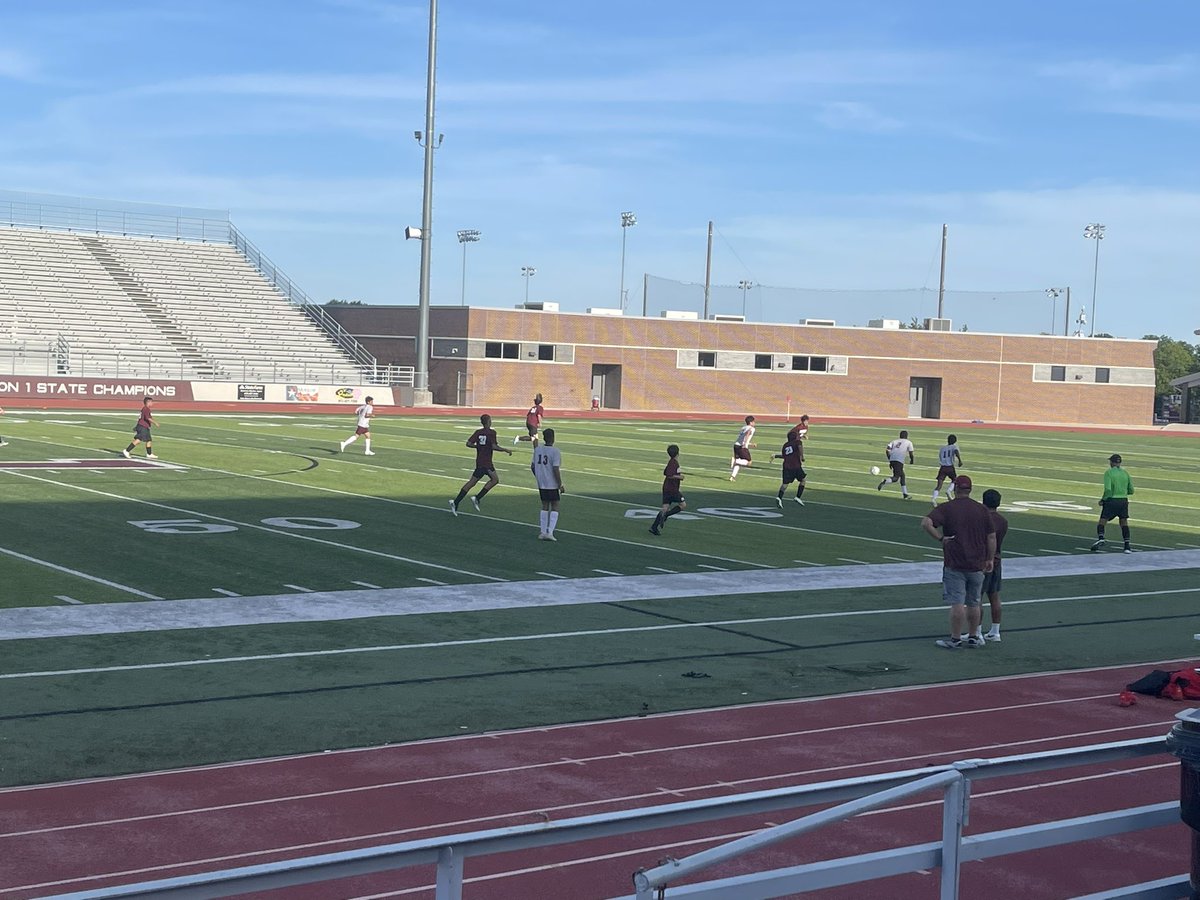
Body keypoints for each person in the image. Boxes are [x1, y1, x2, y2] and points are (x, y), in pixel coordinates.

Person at [921, 475, 996, 650]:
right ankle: (973, 636)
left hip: (955, 562)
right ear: (970, 489)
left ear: (955, 488)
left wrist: (940, 538)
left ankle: (955, 639)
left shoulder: (948, 508)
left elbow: (926, 523)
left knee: (957, 603)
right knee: (974, 602)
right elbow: (991, 536)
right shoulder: (981, 510)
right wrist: (990, 558)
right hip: (977, 563)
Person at [450, 413, 513, 516]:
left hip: (480, 461)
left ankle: (458, 502)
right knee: (494, 480)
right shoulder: (491, 433)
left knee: (473, 483)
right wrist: (505, 450)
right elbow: (494, 446)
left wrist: (478, 447)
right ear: (488, 421)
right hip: (486, 462)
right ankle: (475, 498)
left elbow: (468, 444)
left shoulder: (478, 432)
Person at [980, 488, 1008, 642]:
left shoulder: (982, 519)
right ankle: (995, 631)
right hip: (997, 559)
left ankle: (976, 631)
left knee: (976, 598)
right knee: (994, 596)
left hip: (983, 561)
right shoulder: (1003, 521)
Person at [1092, 453, 1134, 553]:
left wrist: (1103, 500)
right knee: (1124, 523)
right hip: (1123, 500)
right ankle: (1127, 546)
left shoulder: (1109, 473)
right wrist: (1122, 491)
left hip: (1112, 500)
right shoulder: (1125, 473)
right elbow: (1131, 490)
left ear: (1111, 462)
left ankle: (1101, 537)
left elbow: (1108, 489)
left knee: (1103, 521)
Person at [531, 428, 564, 541]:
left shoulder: (537, 450)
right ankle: (549, 532)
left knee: (544, 505)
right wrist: (560, 484)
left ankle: (542, 531)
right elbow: (555, 469)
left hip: (542, 483)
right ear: (553, 438)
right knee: (555, 505)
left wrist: (539, 477)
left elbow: (533, 466)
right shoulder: (555, 451)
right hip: (552, 483)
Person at [649, 444, 686, 535]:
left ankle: (654, 527)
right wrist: (679, 477)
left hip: (666, 488)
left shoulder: (670, 462)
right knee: (683, 505)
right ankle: (666, 515)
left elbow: (665, 472)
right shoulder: (674, 463)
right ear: (678, 453)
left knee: (665, 508)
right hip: (672, 489)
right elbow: (669, 475)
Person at [772, 430, 807, 507]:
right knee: (803, 480)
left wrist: (776, 456)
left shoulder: (785, 445)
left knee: (785, 484)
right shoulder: (797, 442)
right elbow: (800, 447)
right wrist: (802, 457)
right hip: (795, 466)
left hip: (786, 466)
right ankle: (798, 497)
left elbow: (784, 456)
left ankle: (779, 497)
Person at [878, 429, 915, 499]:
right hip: (899, 461)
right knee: (896, 478)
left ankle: (905, 494)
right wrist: (912, 460)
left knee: (902, 476)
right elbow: (911, 453)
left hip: (893, 459)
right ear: (907, 436)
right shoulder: (908, 442)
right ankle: (885, 481)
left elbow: (887, 450)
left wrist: (890, 459)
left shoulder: (894, 441)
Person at [932, 434, 963, 505]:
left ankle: (934, 499)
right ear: (955, 441)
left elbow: (940, 456)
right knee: (955, 480)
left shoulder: (942, 448)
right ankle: (949, 491)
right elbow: (956, 451)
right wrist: (960, 460)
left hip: (942, 467)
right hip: (950, 467)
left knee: (939, 485)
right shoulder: (954, 447)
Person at [729, 415, 757, 480]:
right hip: (742, 447)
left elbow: (741, 438)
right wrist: (745, 444)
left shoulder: (743, 427)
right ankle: (735, 461)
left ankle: (732, 477)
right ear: (750, 422)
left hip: (736, 445)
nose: (754, 423)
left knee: (738, 462)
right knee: (749, 462)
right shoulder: (751, 428)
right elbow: (747, 434)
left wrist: (751, 444)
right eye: (753, 422)